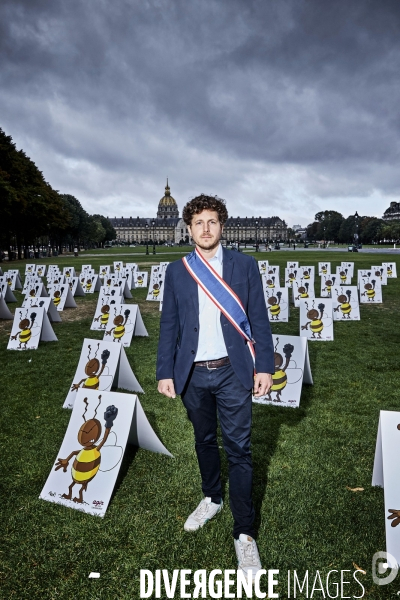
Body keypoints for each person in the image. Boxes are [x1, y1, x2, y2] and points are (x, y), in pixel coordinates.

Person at [156, 194, 274, 579]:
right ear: (188, 228)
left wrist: (265, 367)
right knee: (204, 441)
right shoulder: (177, 271)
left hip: (232, 370)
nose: (205, 229)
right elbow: (169, 326)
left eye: (212, 221)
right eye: (198, 223)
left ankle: (244, 533)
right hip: (191, 372)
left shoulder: (245, 265)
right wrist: (164, 371)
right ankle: (211, 498)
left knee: (239, 449)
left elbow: (259, 318)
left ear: (222, 225)